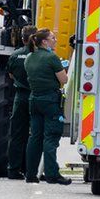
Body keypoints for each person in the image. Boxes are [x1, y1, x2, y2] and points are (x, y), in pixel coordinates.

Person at [24, 28, 72, 185]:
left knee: (35, 137)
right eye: (52, 38)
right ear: (44, 41)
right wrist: (63, 68)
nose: (55, 40)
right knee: (50, 137)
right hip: (50, 101)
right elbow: (64, 80)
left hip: (34, 99)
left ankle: (30, 174)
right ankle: (52, 174)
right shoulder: (52, 57)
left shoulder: (29, 57)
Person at [6, 25, 38, 180]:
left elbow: (11, 75)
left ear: (23, 38)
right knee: (36, 134)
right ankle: (31, 169)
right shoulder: (42, 56)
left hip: (20, 97)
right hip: (37, 97)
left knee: (17, 134)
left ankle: (13, 169)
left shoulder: (15, 55)